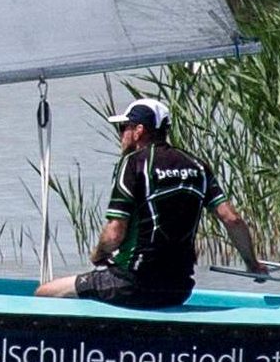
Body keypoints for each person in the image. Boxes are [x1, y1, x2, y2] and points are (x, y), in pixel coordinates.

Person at [39, 98, 267, 306]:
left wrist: (98, 254)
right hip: (179, 288)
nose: (121, 135)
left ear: (139, 131)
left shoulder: (133, 164)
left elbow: (114, 234)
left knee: (44, 292)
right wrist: (252, 264)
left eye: (123, 128)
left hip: (133, 284)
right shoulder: (197, 166)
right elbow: (232, 219)